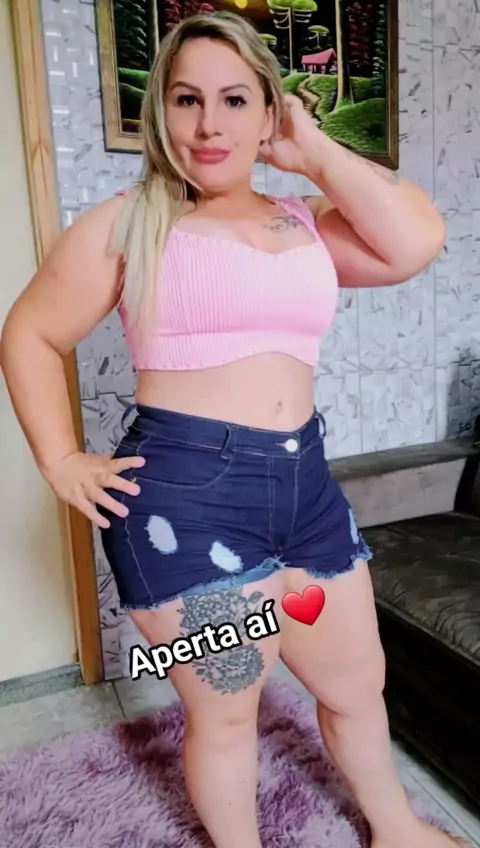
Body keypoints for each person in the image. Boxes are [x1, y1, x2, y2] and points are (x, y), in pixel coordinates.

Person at [0, 11, 464, 848]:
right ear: (161, 111)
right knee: (227, 711)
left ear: (267, 112)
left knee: (357, 685)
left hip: (306, 490)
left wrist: (311, 150)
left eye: (235, 99)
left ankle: (396, 828)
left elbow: (416, 240)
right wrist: (60, 458)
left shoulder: (306, 221)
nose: (209, 123)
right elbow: (30, 332)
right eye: (187, 99)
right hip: (187, 505)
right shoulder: (129, 222)